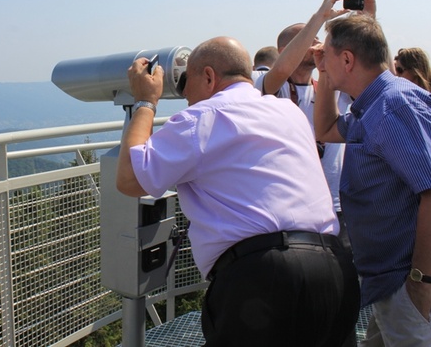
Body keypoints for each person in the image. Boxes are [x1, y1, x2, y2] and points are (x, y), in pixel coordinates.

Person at [116, 36, 360, 347]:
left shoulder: (200, 119)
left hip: (263, 280)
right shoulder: (289, 112)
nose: (185, 94)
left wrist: (144, 102)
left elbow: (129, 179)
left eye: (186, 81)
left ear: (208, 76)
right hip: (333, 269)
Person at [290, 0, 431, 346]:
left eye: (329, 53)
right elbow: (325, 130)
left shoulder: (390, 108)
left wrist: (422, 280)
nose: (322, 57)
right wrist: (324, 72)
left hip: (408, 283)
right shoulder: (373, 106)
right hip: (390, 282)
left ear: (348, 59)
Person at [254, 0, 375, 251]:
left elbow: (375, 81)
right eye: (309, 39)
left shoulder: (331, 88)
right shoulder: (274, 89)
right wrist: (319, 17)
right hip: (290, 209)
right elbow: (281, 70)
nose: (317, 44)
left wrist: (369, 22)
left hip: (336, 206)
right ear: (287, 49)